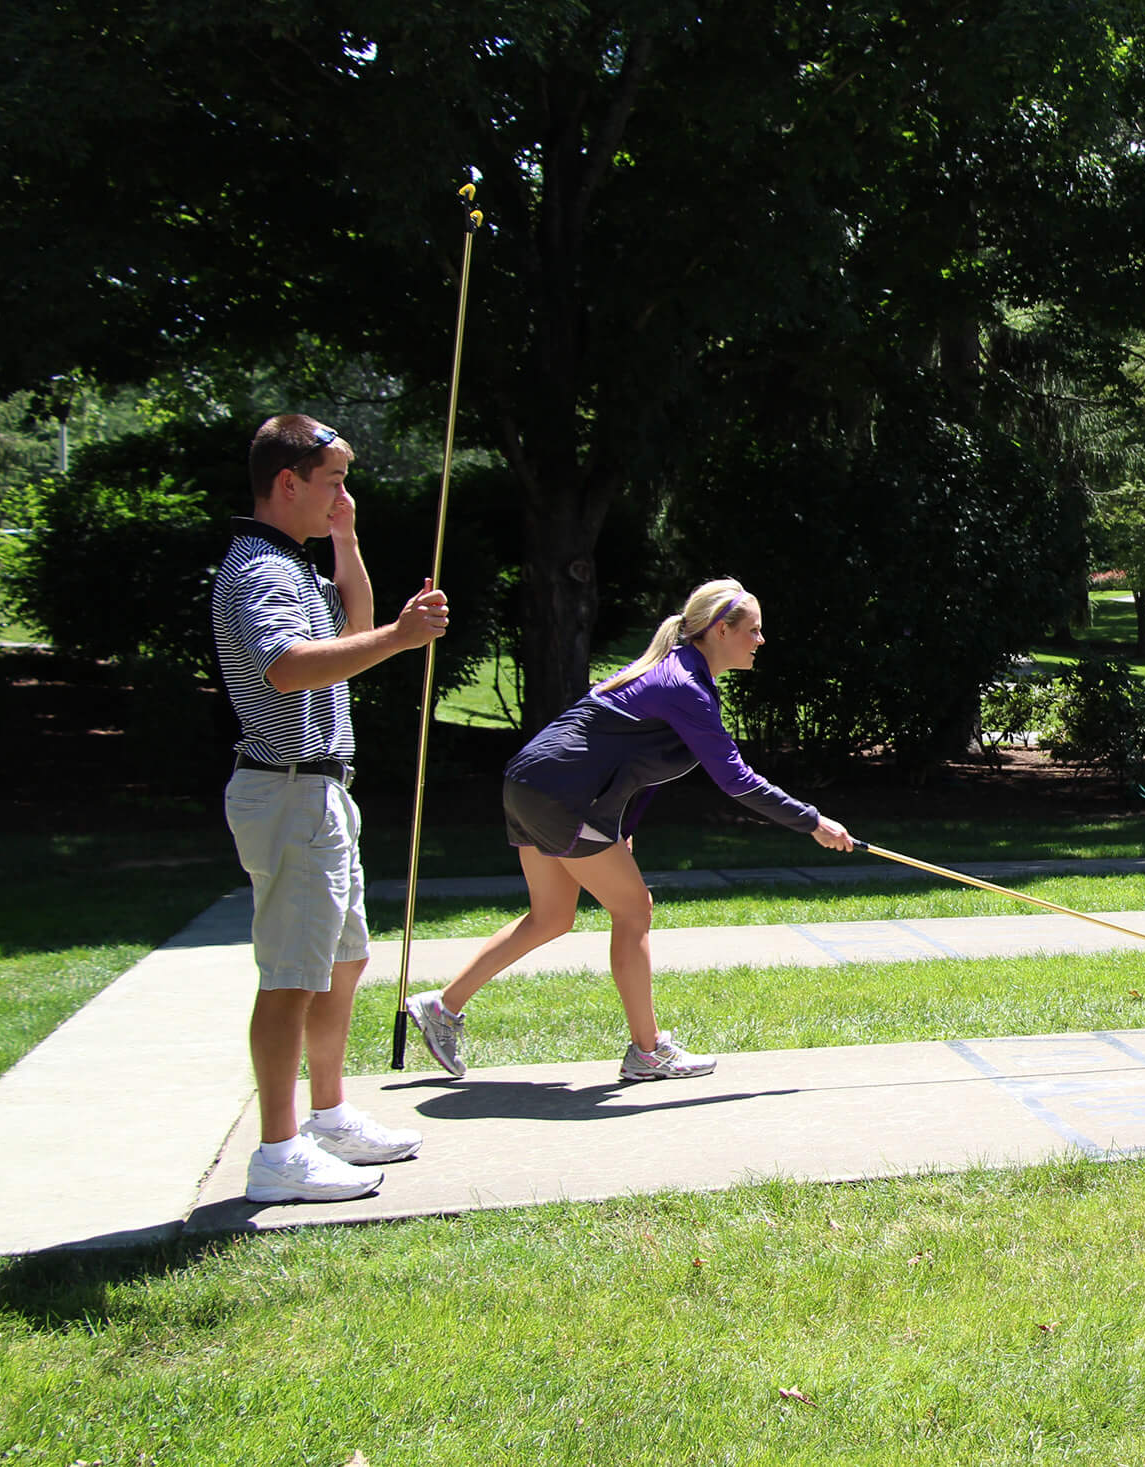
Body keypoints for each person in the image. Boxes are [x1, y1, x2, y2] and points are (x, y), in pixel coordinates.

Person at [403, 578, 855, 1082]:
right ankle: (647, 1050)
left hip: (530, 784)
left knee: (550, 917)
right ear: (721, 630)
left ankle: (442, 1008)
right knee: (634, 908)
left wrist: (622, 829)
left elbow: (638, 765)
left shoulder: (674, 674)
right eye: (753, 630)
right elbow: (735, 780)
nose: (760, 641)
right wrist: (811, 820)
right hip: (562, 797)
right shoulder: (685, 686)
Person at [213, 414, 451, 1203]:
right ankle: (277, 1152)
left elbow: (352, 625)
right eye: (334, 482)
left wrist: (348, 543)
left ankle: (326, 1116)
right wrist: (401, 637)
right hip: (286, 791)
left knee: (340, 961)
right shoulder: (260, 572)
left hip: (317, 790)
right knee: (290, 976)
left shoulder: (293, 562)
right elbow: (286, 668)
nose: (343, 495)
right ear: (288, 483)